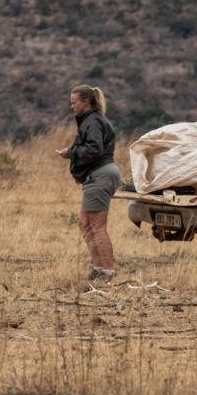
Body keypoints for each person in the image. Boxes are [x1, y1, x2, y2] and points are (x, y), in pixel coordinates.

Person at [58, 84, 120, 282]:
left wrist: (71, 152)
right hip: (99, 175)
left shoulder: (92, 121)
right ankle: (97, 268)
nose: (72, 107)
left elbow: (94, 149)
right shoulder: (92, 120)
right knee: (85, 224)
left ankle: (107, 271)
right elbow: (92, 146)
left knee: (97, 227)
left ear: (86, 102)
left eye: (74, 102)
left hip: (99, 175)